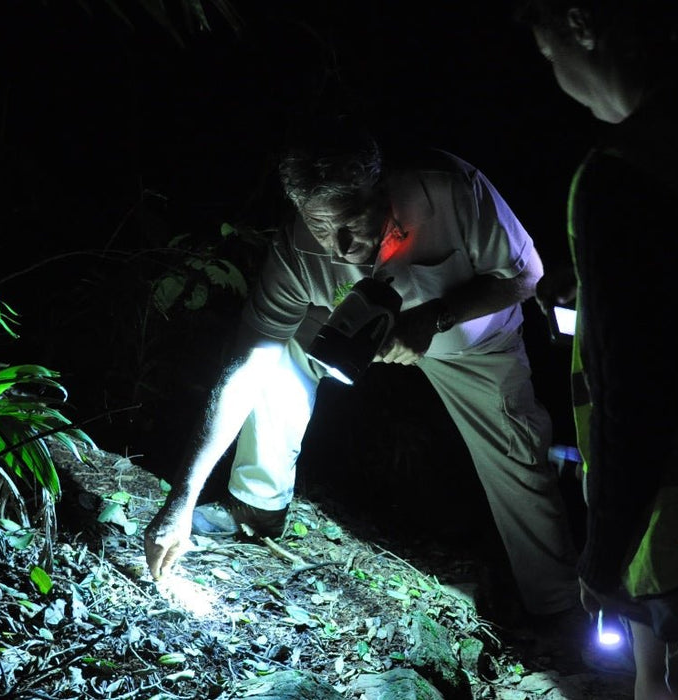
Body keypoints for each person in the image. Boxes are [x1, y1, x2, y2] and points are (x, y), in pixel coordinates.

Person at [143, 115, 580, 620]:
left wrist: (434, 318)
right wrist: (182, 496)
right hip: (352, 334)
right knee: (277, 355)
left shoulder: (452, 190)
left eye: (351, 220)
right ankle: (257, 504)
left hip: (471, 340)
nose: (341, 246)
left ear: (383, 188)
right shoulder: (296, 251)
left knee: (517, 447)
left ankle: (557, 607)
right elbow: (245, 366)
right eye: (322, 226)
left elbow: (526, 274)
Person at [515, 0, 678, 697]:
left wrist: (602, 560)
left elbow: (635, 398)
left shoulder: (626, 174)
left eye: (544, 50)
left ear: (580, 22)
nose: (552, 71)